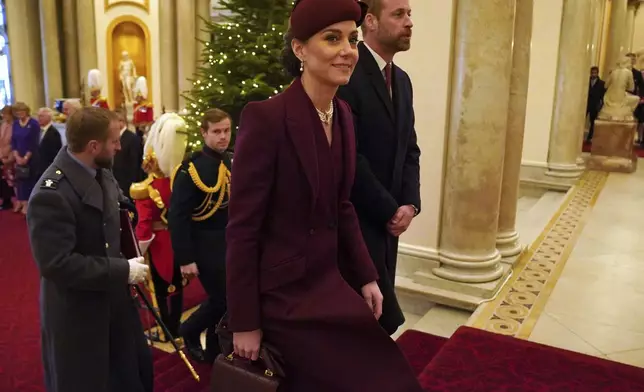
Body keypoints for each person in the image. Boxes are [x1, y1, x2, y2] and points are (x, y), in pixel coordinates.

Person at [226, 0, 422, 390]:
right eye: (332, 39)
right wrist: (245, 323)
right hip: (281, 298)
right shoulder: (265, 118)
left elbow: (342, 205)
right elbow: (242, 230)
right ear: (300, 49)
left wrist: (367, 276)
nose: (347, 50)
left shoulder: (343, 116)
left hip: (328, 282)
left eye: (351, 39)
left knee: (390, 374)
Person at [26, 107, 153, 392]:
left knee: (131, 376)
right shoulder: (51, 194)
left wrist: (131, 222)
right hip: (79, 313)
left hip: (113, 301)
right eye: (114, 141)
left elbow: (118, 205)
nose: (120, 146)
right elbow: (57, 263)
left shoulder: (98, 168)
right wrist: (124, 270)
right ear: (93, 146)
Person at [336, 0, 420, 335]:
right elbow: (349, 155)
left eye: (409, 14)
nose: (409, 22)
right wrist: (390, 208)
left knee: (378, 318)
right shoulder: (348, 76)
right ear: (370, 21)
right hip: (357, 220)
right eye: (399, 14)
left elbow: (410, 149)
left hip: (391, 223)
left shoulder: (402, 80)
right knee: (362, 320)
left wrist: (410, 204)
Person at [168, 108, 232, 363]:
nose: (223, 137)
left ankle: (215, 349)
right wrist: (185, 258)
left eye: (227, 131)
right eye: (216, 132)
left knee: (229, 300)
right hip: (204, 244)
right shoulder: (190, 170)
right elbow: (178, 218)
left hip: (229, 241)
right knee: (222, 298)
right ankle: (190, 330)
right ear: (204, 133)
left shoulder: (230, 161)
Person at [131, 112, 188, 342]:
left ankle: (166, 330)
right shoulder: (180, 180)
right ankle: (175, 327)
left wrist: (138, 250)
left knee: (160, 290)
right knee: (177, 286)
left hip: (157, 244)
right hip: (178, 241)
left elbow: (144, 225)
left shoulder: (145, 188)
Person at [11, 102, 41, 215]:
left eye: (22, 111)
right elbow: (13, 141)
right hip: (18, 156)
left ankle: (32, 205)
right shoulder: (15, 124)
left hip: (31, 158)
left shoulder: (34, 124)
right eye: (17, 112)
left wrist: (26, 158)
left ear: (26, 111)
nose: (20, 113)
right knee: (21, 182)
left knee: (31, 181)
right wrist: (16, 156)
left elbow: (34, 143)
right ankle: (24, 204)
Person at [112, 108, 144, 199]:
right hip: (116, 183)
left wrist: (131, 186)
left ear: (121, 121)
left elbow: (135, 164)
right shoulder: (114, 137)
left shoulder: (132, 138)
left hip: (127, 184)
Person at [37, 107, 63, 175]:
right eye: (38, 116)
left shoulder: (54, 133)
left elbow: (55, 153)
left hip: (48, 169)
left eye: (41, 116)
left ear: (49, 117)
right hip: (38, 168)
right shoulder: (38, 131)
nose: (39, 118)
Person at [586, 66, 605, 142]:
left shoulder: (602, 83)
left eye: (595, 73)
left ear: (597, 73)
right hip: (586, 104)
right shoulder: (586, 81)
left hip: (595, 104)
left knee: (593, 121)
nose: (593, 74)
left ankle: (590, 137)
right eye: (592, 73)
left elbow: (603, 95)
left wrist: (601, 104)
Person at [0, 105, 14, 210]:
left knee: (12, 179)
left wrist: (7, 156)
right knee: (3, 178)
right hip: (1, 153)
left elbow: (13, 142)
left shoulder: (15, 125)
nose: (3, 116)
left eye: (5, 114)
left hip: (10, 154)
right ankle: (6, 199)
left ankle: (15, 201)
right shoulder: (3, 125)